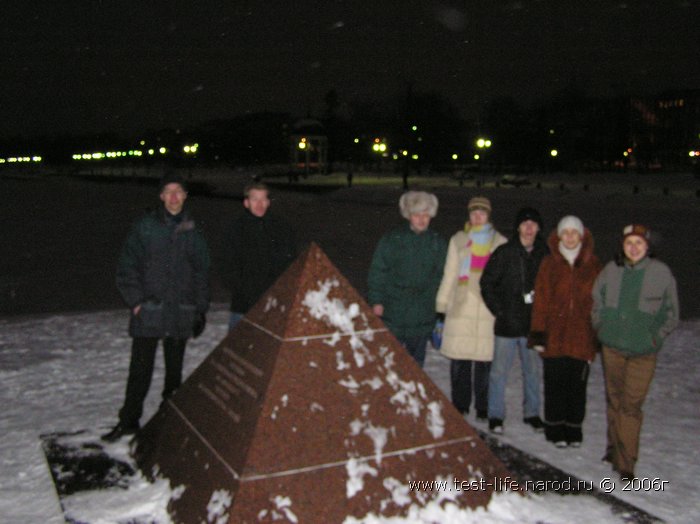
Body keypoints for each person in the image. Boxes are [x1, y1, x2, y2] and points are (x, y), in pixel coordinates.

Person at [102, 172, 210, 442]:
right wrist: (136, 302)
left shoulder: (193, 230)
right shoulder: (145, 227)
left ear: (185, 196)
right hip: (149, 310)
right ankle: (128, 421)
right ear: (161, 196)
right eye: (168, 192)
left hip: (180, 311)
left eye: (179, 191)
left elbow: (202, 272)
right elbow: (127, 268)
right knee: (140, 369)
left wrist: (200, 309)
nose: (174, 197)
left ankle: (168, 420)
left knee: (174, 373)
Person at [592, 224, 679, 481]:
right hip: (613, 348)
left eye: (638, 243)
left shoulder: (660, 273)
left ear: (647, 246)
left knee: (631, 405)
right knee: (614, 399)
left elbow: (671, 313)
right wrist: (601, 327)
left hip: (643, 352)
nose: (633, 247)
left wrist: (655, 336)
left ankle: (626, 461)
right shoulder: (611, 270)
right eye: (629, 242)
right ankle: (612, 447)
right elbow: (596, 300)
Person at [529, 216, 602, 448]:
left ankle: (573, 428)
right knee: (555, 384)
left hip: (581, 336)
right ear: (558, 236)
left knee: (577, 386)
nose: (570, 237)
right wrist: (539, 333)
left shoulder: (593, 264)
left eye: (574, 232)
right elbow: (541, 300)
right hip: (554, 336)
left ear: (582, 236)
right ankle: (554, 427)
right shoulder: (549, 264)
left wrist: (597, 335)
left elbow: (600, 303)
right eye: (565, 232)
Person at [436, 196, 507, 420]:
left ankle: (483, 406)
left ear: (488, 215)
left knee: (485, 361)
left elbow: (505, 280)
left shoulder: (500, 243)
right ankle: (461, 403)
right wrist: (441, 305)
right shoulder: (458, 240)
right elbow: (450, 274)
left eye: (482, 213)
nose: (477, 217)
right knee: (460, 359)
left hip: (488, 308)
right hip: (462, 305)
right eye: (474, 213)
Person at [480, 207, 548, 434]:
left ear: (538, 228)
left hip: (532, 324)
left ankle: (533, 413)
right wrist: (499, 309)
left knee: (532, 371)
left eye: (533, 224)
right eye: (525, 224)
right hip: (507, 323)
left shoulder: (545, 254)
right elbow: (487, 282)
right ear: (518, 227)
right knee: (499, 372)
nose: (529, 228)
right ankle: (496, 415)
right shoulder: (505, 252)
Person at [368, 191, 447, 367]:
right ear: (409, 215)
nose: (421, 219)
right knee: (389, 363)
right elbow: (378, 271)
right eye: (417, 214)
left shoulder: (437, 243)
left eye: (426, 215)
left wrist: (439, 305)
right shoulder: (392, 240)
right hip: (394, 313)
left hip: (422, 315)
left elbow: (442, 276)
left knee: (415, 365)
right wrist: (376, 301)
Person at [224, 182, 296, 330]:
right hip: (243, 304)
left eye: (263, 199)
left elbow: (289, 262)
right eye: (255, 199)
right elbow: (227, 265)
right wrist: (242, 290)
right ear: (246, 202)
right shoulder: (235, 229)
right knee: (238, 347)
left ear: (268, 202)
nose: (259, 204)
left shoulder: (281, 228)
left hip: (272, 303)